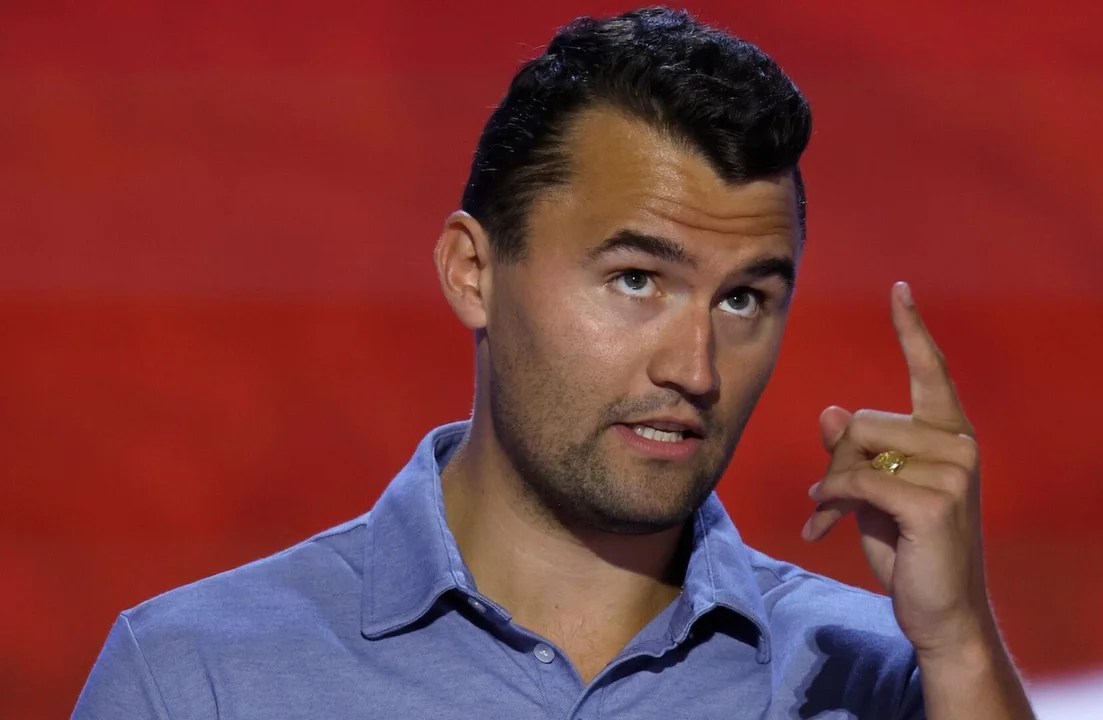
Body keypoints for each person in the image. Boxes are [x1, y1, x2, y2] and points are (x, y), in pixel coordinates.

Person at [74, 7, 1035, 719]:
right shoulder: (197, 678)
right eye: (636, 280)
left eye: (743, 298)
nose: (696, 369)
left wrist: (957, 644)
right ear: (473, 272)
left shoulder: (879, 678)